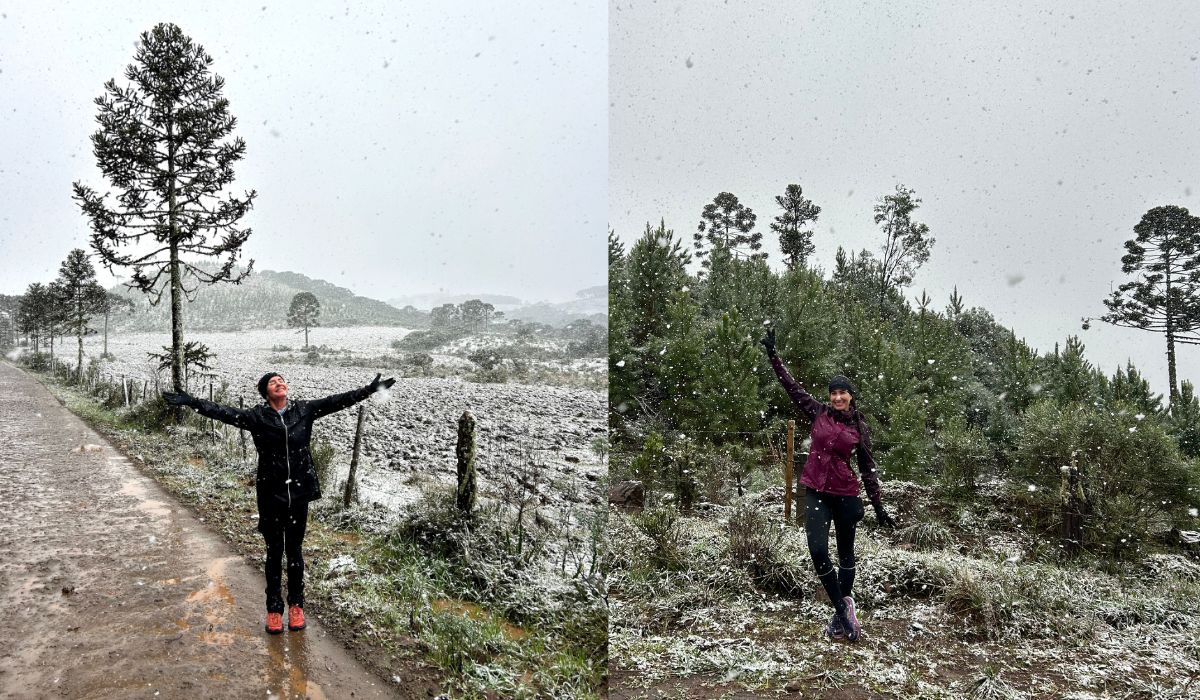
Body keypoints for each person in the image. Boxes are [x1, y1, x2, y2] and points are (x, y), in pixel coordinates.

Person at [163, 371, 395, 634]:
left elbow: (337, 401)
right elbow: (221, 411)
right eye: (273, 382)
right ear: (265, 392)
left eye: (282, 380)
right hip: (271, 492)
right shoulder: (256, 417)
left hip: (299, 492)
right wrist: (191, 401)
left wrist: (369, 389)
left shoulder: (304, 410)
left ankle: (296, 606)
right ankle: (274, 609)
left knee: (294, 550)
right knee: (274, 551)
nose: (279, 383)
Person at [760, 328, 896, 642]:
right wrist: (774, 357)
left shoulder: (860, 428)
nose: (837, 397)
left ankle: (839, 619)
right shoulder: (818, 412)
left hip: (846, 495)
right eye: (833, 392)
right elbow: (791, 387)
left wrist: (878, 506)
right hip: (816, 491)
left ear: (851, 396)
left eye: (842, 393)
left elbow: (867, 468)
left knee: (846, 555)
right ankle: (844, 610)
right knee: (818, 549)